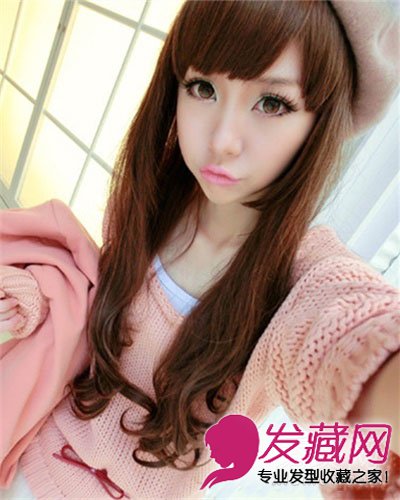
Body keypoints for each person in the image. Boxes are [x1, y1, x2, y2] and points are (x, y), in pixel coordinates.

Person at [1, 1, 399, 498]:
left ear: (320, 123)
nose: (223, 140)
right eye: (203, 88)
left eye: (272, 103)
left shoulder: (300, 281)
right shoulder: (149, 201)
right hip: (32, 458)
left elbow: (354, 335)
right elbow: (99, 315)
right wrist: (40, 293)